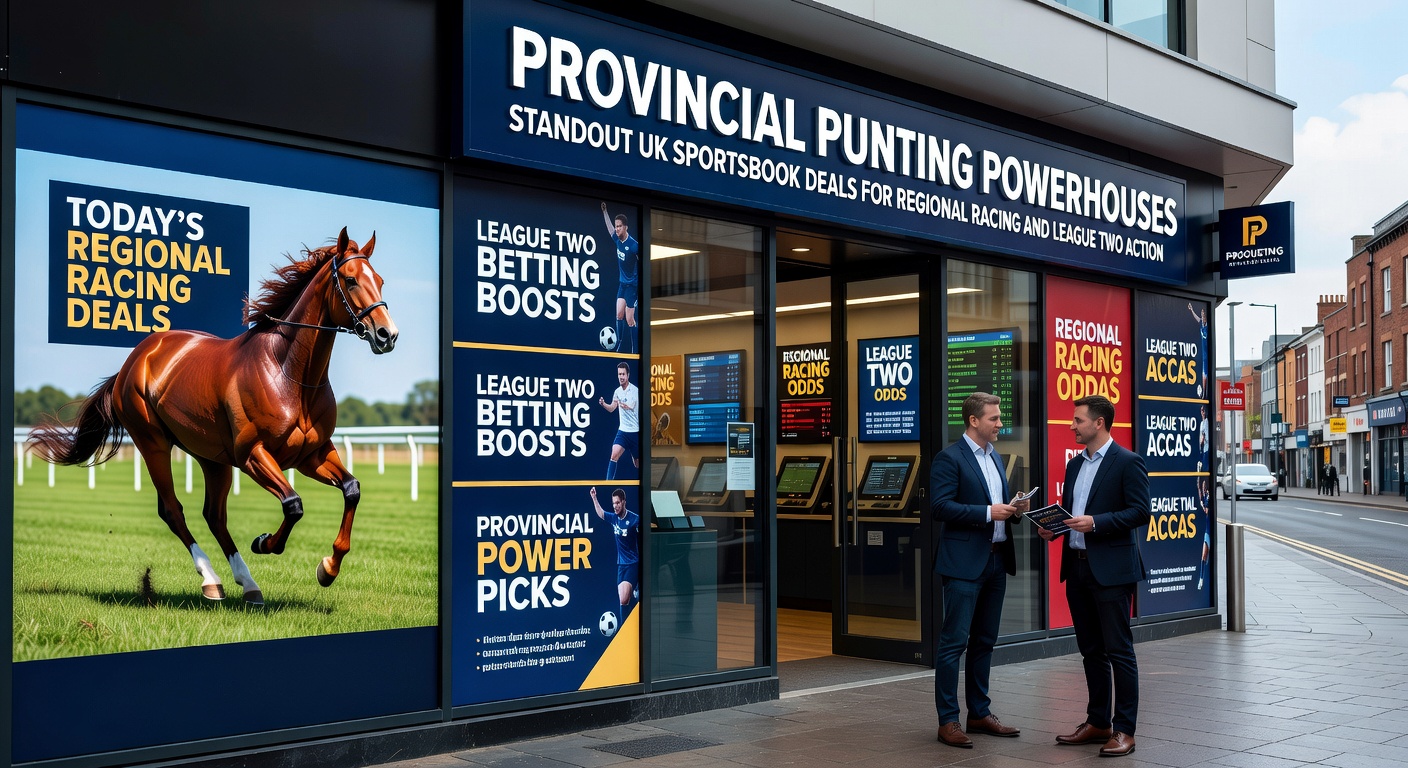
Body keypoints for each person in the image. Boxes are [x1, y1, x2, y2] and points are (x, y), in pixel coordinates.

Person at [1036, 395, 1151, 758]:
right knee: (1090, 650)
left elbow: (1140, 512)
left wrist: (1097, 523)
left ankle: (1124, 730)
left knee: (1119, 650)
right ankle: (1098, 721)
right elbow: (1073, 513)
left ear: (1098, 423)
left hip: (1112, 570)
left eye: (1077, 420)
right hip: (1078, 566)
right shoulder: (1074, 466)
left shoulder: (1128, 462)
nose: (1072, 425)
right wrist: (1053, 529)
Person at [930, 392, 1029, 748]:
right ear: (974, 421)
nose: (1000, 423)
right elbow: (940, 507)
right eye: (994, 418)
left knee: (985, 641)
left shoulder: (995, 458)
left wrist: (1015, 510)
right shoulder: (949, 458)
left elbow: (997, 507)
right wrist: (989, 512)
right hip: (963, 564)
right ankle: (948, 721)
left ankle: (979, 713)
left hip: (996, 561)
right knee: (953, 642)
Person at [590, 487, 640, 623]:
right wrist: (594, 498)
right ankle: (628, 628)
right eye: (613, 503)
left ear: (624, 502)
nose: (615, 506)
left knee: (624, 598)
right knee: (624, 602)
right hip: (621, 565)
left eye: (617, 503)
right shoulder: (614, 518)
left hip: (632, 563)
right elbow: (601, 514)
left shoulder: (634, 520)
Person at [601, 203, 639, 354]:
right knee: (618, 314)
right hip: (622, 285)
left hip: (632, 286)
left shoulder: (634, 245)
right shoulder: (617, 241)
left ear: (626, 227)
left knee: (630, 319)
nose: (617, 229)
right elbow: (609, 229)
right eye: (616, 226)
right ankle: (619, 345)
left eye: (619, 226)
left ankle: (634, 349)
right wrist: (605, 211)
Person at [599, 362, 640, 480]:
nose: (621, 377)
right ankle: (608, 483)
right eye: (619, 374)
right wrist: (603, 404)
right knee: (614, 455)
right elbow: (612, 408)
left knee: (637, 464)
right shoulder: (617, 391)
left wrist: (622, 403)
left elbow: (631, 405)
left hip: (635, 432)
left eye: (623, 374)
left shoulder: (635, 390)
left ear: (628, 375)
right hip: (623, 431)